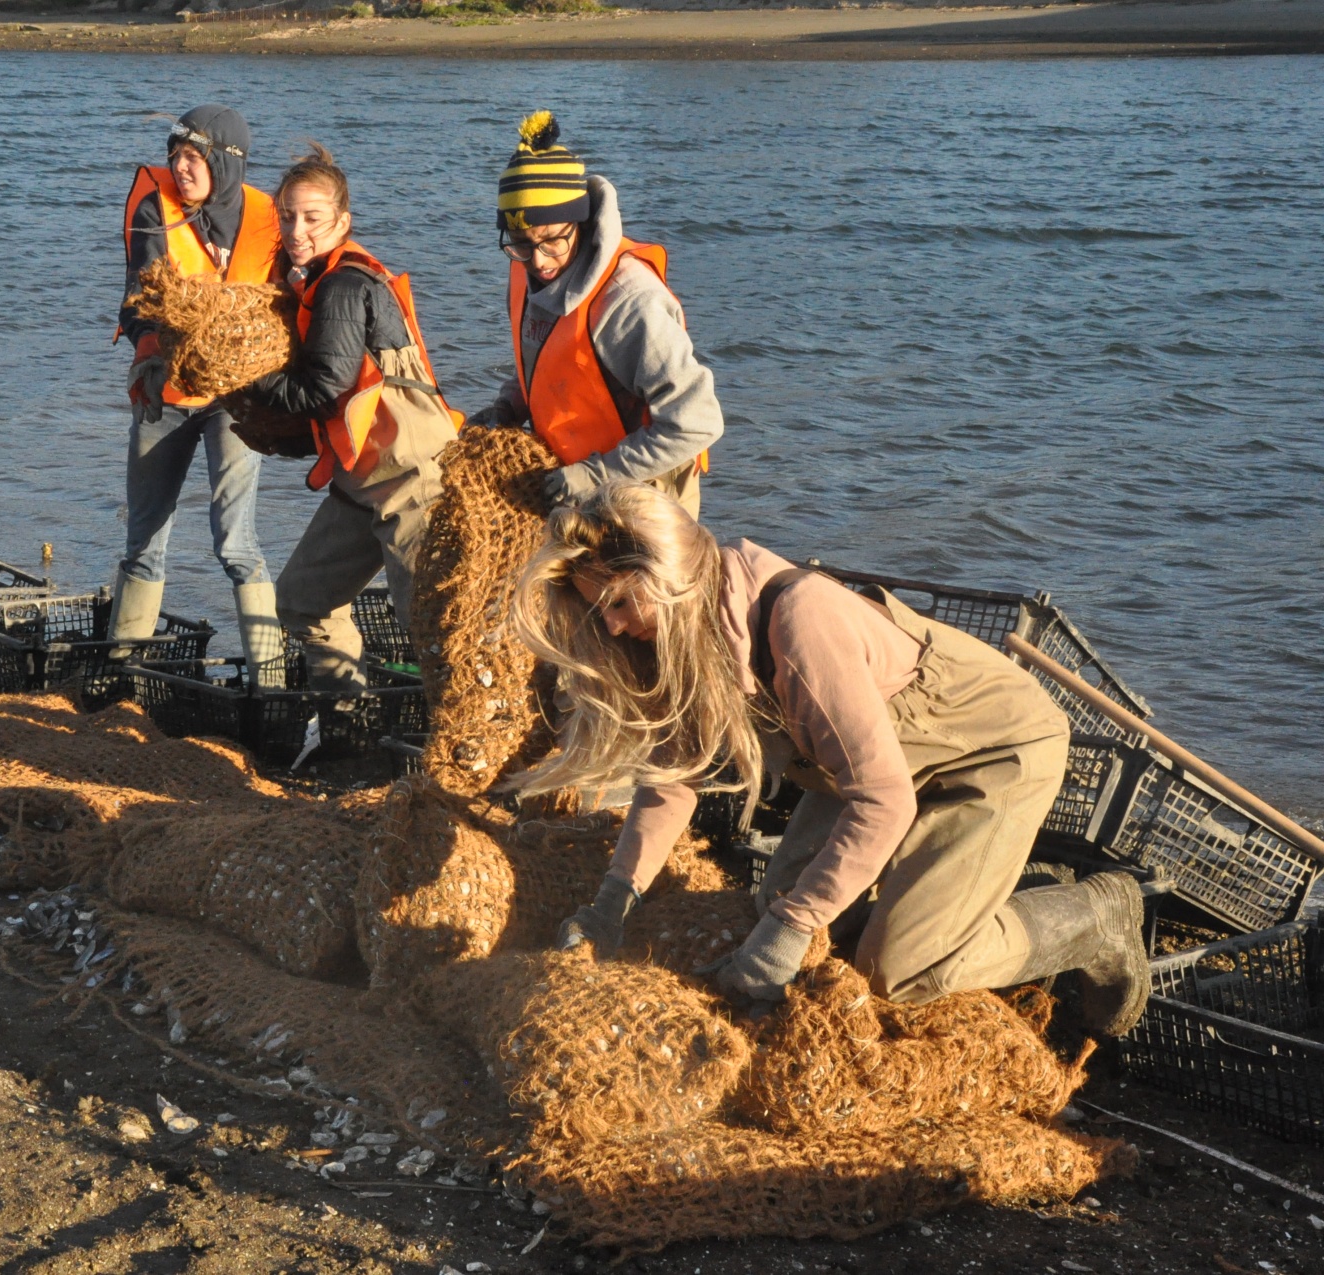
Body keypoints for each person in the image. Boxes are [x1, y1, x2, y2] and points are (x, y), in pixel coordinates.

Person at [514, 483, 1148, 1038]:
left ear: (670, 579)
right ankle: (937, 899)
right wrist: (613, 900)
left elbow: (885, 801)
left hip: (990, 751)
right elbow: (673, 777)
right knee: (784, 906)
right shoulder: (693, 634)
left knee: (895, 970)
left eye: (622, 605)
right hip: (874, 760)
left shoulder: (798, 626)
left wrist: (791, 933)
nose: (615, 629)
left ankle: (1095, 916)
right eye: (602, 613)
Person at [238, 144, 460, 693]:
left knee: (433, 634)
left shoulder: (341, 287)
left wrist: (240, 377)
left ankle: (464, 756)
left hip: (412, 482)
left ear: (342, 221)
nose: (297, 230)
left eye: (312, 218)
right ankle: (346, 721)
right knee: (301, 602)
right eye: (287, 216)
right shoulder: (312, 281)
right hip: (362, 482)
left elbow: (320, 390)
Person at [469, 113, 723, 520]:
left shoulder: (630, 301)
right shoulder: (524, 270)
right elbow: (549, 362)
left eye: (553, 240)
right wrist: (509, 407)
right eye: (520, 243)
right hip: (571, 485)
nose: (538, 261)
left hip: (645, 492)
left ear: (581, 224)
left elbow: (696, 423)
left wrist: (597, 475)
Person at [113, 106, 281, 666]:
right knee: (144, 542)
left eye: (194, 156)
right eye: (175, 154)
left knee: (236, 543)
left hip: (237, 402)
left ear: (226, 162)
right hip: (165, 393)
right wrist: (148, 352)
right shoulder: (152, 208)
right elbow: (144, 299)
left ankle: (270, 674)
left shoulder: (270, 216)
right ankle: (123, 665)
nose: (181, 167)